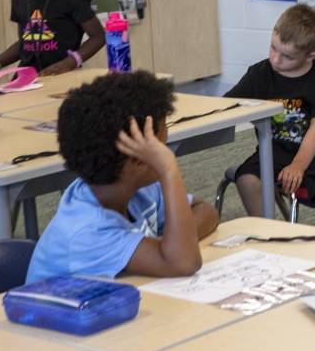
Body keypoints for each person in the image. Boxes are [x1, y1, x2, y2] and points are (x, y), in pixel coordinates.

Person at [26, 71, 219, 282]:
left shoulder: (135, 187)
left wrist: (169, 243)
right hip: (62, 313)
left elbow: (206, 211)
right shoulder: (87, 231)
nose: (167, 150)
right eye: (162, 146)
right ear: (138, 158)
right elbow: (183, 262)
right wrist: (169, 169)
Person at [227, 4, 315, 231]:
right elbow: (226, 105)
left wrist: (298, 165)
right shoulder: (259, 73)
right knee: (247, 180)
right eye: (273, 48)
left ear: (311, 55)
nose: (276, 60)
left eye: (287, 56)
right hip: (275, 148)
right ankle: (268, 236)